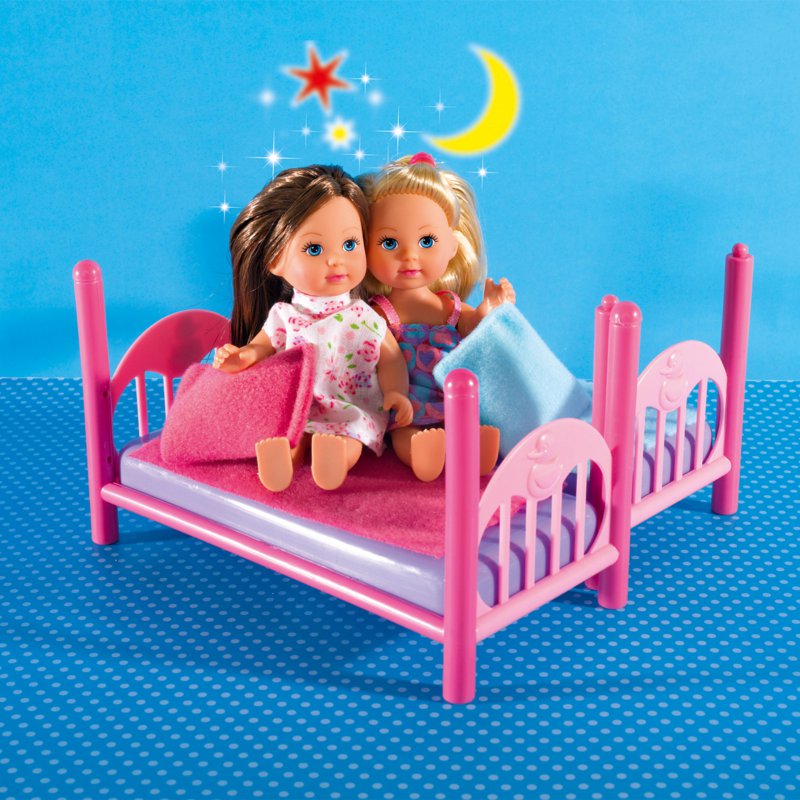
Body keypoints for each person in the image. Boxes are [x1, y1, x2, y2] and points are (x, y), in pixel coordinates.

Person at [214, 165, 412, 491]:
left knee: (350, 438)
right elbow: (261, 346)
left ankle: (336, 459)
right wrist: (242, 357)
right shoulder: (284, 316)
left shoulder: (365, 316)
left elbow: (390, 358)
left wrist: (396, 392)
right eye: (314, 249)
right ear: (275, 261)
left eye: (350, 244)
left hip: (350, 408)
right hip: (297, 407)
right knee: (290, 434)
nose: (336, 260)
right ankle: (283, 460)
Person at [360, 153, 515, 481]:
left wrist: (489, 309)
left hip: (455, 399)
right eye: (389, 242)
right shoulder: (380, 313)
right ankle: (423, 454)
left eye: (427, 241)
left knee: (471, 423)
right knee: (405, 436)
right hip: (408, 406)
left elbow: (476, 332)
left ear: (452, 246)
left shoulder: (451, 308)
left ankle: (473, 449)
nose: (409, 255)